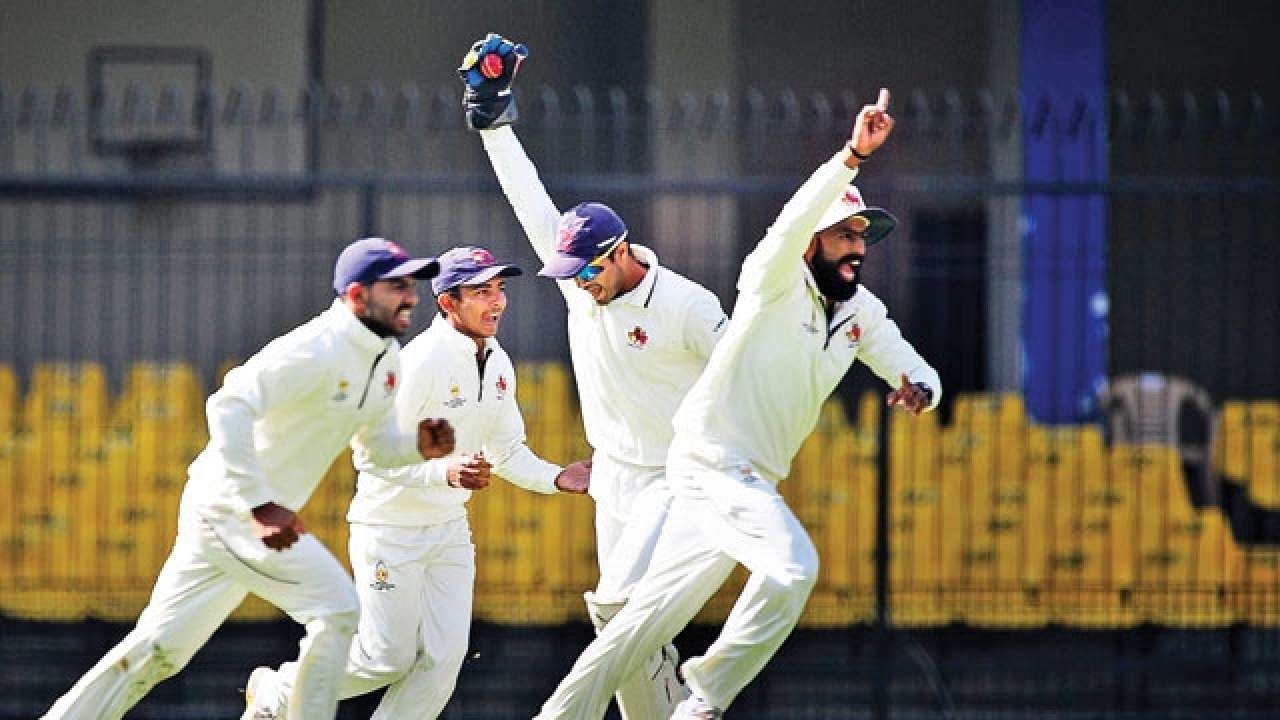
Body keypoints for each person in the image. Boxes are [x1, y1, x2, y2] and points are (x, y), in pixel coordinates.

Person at [535, 88, 941, 719]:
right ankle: (705, 696)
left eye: (865, 236)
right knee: (794, 567)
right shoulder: (771, 280)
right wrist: (851, 157)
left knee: (633, 625)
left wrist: (922, 388)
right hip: (711, 463)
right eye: (842, 236)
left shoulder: (862, 313)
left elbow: (908, 362)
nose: (857, 248)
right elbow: (790, 223)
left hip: (740, 480)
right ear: (812, 243)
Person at [40, 238, 456, 720]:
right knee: (338, 610)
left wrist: (417, 447)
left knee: (159, 651)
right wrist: (259, 503)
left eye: (412, 285)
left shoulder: (386, 361)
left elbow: (375, 449)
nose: (411, 296)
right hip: (233, 509)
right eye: (397, 286)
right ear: (357, 296)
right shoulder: (315, 348)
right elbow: (228, 404)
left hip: (234, 513)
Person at [460, 33, 730, 719]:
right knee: (617, 626)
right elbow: (529, 200)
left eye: (586, 271)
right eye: (568, 274)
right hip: (615, 478)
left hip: (677, 475)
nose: (576, 285)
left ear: (618, 255)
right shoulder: (582, 284)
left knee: (618, 606)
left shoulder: (689, 306)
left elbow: (745, 373)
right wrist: (494, 121)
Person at [239, 245, 592, 719]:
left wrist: (557, 477)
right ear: (448, 303)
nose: (497, 302)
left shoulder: (499, 363)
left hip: (448, 531)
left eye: (500, 290)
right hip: (389, 531)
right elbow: (370, 456)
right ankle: (277, 694)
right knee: (384, 659)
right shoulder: (420, 361)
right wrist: (442, 472)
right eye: (482, 292)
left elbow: (505, 453)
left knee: (443, 661)